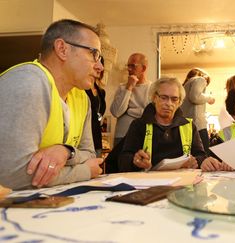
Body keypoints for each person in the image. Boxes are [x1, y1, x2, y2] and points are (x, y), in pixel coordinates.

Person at [0, 19, 104, 190]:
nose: (100, 66)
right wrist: (84, 171)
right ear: (62, 49)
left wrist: (66, 151)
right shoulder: (28, 82)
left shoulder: (81, 98)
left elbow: (91, 155)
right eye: (94, 54)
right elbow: (12, 175)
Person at [117, 76, 212, 172]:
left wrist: (196, 161)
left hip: (182, 183)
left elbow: (201, 156)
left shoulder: (189, 126)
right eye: (163, 98)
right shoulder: (139, 125)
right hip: (149, 184)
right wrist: (135, 161)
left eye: (174, 99)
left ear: (179, 102)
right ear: (154, 98)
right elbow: (123, 161)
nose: (169, 103)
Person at [110, 53, 151, 146]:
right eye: (128, 66)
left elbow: (149, 115)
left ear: (143, 68)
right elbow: (116, 112)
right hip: (121, 136)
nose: (129, 69)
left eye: (132, 66)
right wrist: (129, 87)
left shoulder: (152, 88)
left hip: (142, 136)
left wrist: (129, 111)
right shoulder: (122, 87)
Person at [181, 68, 215, 154]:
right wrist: (210, 98)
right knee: (205, 155)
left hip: (186, 126)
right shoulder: (200, 79)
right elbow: (195, 97)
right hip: (198, 125)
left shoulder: (185, 86)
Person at [85, 56, 106, 158]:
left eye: (101, 64)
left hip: (97, 137)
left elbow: (100, 113)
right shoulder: (81, 89)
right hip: (85, 137)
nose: (99, 67)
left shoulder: (101, 92)